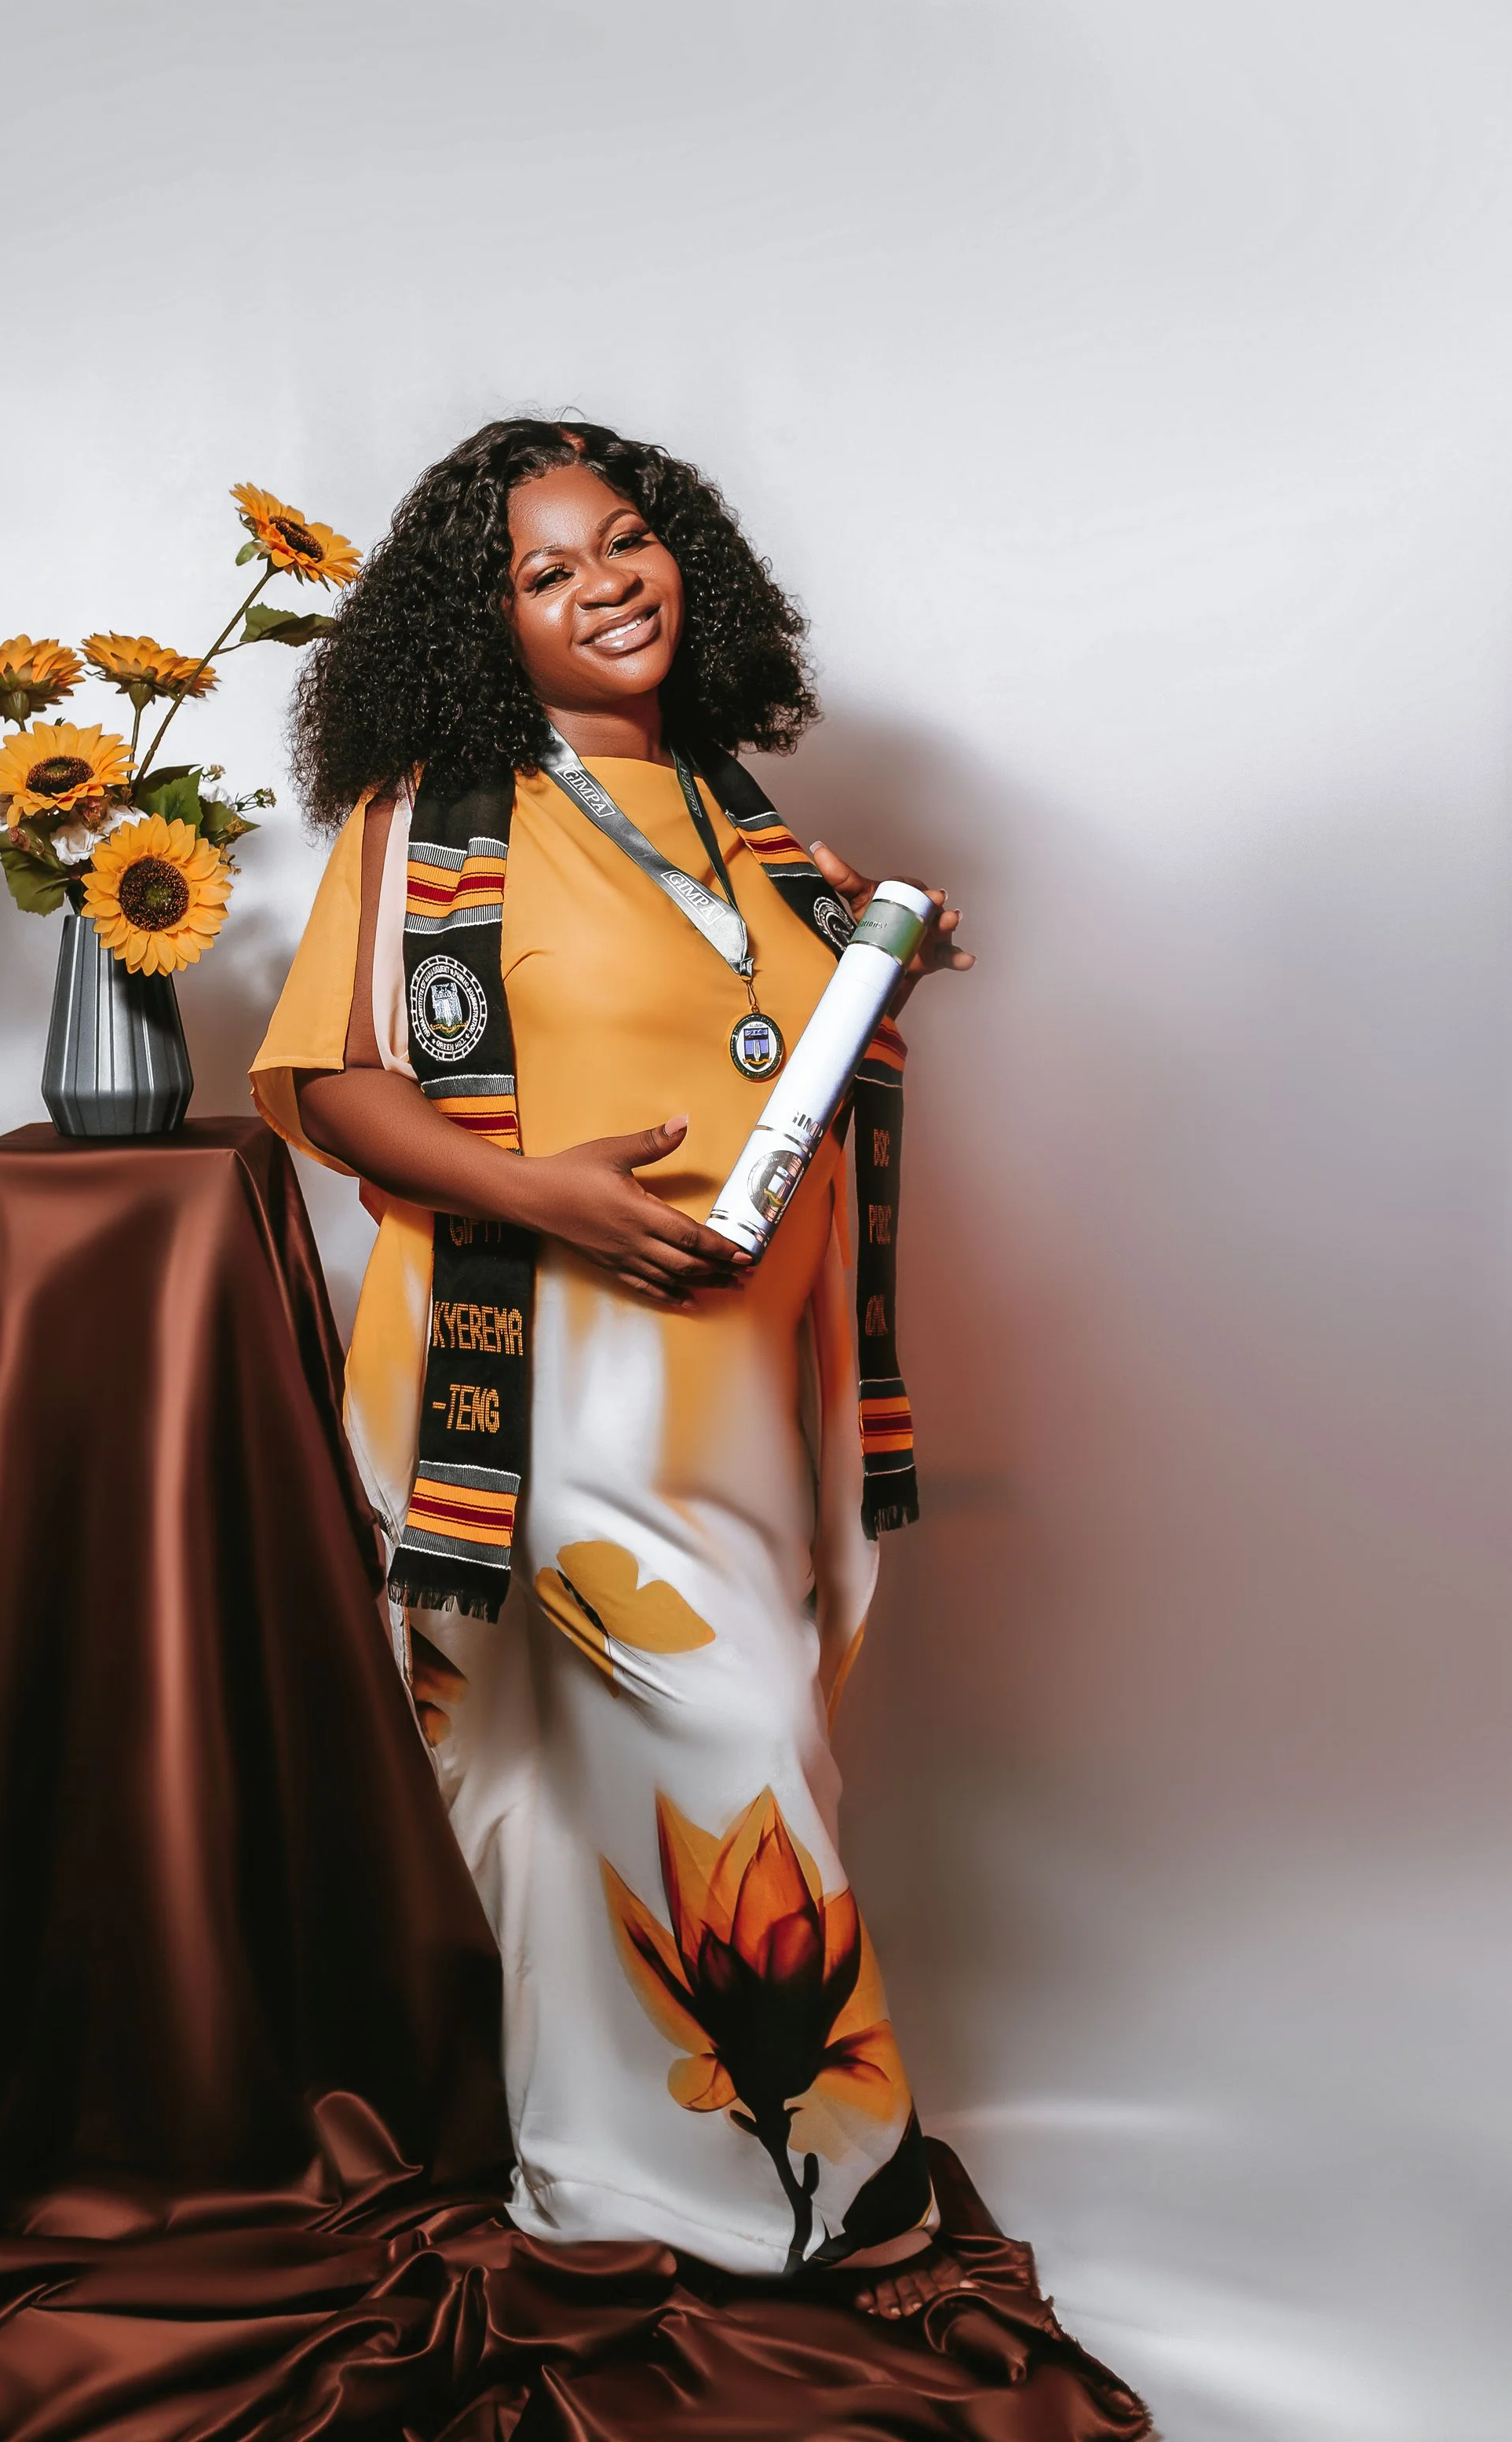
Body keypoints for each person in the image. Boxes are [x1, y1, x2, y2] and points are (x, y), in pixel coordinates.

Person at [251, 417, 973, 2295]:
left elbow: (777, 1062)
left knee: (654, 1772)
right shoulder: (433, 816)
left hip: (741, 1389)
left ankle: (607, 2160)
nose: (604, 586)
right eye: (545, 570)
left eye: (627, 541)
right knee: (709, 1733)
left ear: (690, 561)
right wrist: (544, 1195)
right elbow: (330, 1086)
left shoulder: (748, 828)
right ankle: (795, 2174)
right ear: (483, 628)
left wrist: (876, 959)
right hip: (544, 1371)